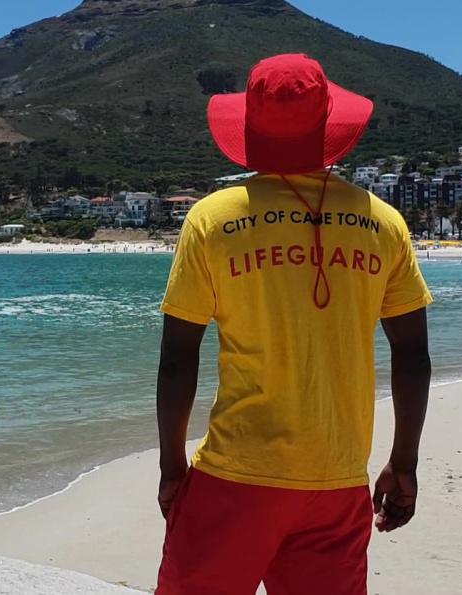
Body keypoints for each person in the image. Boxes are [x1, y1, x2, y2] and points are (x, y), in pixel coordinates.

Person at [155, 53, 433, 594]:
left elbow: (177, 356)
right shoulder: (383, 222)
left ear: (251, 128)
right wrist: (403, 463)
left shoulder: (212, 219)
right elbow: (412, 356)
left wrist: (172, 467)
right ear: (328, 124)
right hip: (338, 481)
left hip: (235, 476)